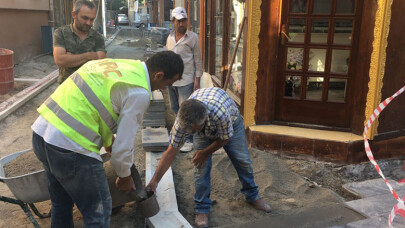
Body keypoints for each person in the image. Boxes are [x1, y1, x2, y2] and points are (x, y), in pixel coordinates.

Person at [32, 51, 184, 227]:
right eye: (167, 83)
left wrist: (107, 139)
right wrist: (124, 177)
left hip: (41, 134)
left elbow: (92, 104)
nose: (165, 89)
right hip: (70, 148)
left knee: (61, 202)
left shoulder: (120, 66)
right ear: (159, 75)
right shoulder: (139, 93)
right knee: (99, 211)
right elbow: (123, 148)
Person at [146, 87, 271, 228]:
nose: (188, 133)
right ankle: (202, 208)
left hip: (232, 125)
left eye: (191, 131)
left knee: (242, 161)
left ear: (203, 121)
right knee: (201, 168)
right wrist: (154, 181)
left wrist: (205, 152)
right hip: (204, 127)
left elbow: (225, 138)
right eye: (186, 129)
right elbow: (170, 152)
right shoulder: (183, 121)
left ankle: (252, 196)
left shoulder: (220, 114)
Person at [166, 6, 203, 152]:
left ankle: (189, 139)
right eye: (179, 21)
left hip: (186, 80)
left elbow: (198, 60)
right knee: (175, 108)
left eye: (184, 21)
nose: (182, 24)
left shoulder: (192, 38)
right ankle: (179, 135)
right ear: (173, 21)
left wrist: (197, 80)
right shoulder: (169, 37)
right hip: (171, 80)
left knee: (186, 110)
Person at [53, 0, 107, 84]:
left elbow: (101, 60)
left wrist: (71, 58)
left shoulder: (97, 37)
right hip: (67, 85)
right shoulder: (61, 33)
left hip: (91, 85)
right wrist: (90, 55)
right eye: (85, 18)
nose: (89, 23)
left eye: (92, 19)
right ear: (74, 14)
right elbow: (60, 60)